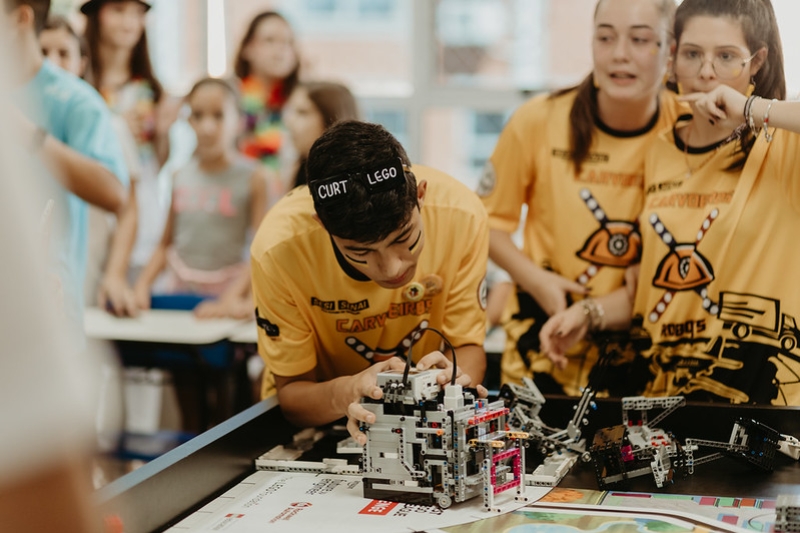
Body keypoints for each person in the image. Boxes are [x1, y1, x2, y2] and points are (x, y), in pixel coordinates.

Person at [541, 0, 800, 406]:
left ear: (757, 63)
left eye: (727, 57)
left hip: (756, 397)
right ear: (672, 58)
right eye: (693, 54)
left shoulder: (784, 145)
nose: (706, 72)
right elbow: (654, 283)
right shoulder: (658, 152)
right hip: (661, 396)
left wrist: (750, 109)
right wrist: (586, 314)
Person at [478, 0, 683, 396]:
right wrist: (537, 282)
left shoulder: (689, 128)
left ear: (670, 51)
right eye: (605, 37)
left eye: (640, 39)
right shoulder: (538, 120)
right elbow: (485, 223)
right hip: (541, 353)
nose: (620, 53)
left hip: (642, 365)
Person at [251, 120, 489, 443]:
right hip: (318, 427)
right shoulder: (278, 249)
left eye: (403, 238)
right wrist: (349, 391)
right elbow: (292, 396)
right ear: (322, 226)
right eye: (360, 251)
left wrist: (454, 376)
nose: (391, 268)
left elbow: (468, 346)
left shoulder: (462, 216)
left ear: (420, 197)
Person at [6, 0, 128, 331]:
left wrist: (27, 134)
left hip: (47, 319)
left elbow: (116, 194)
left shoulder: (75, 101)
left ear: (21, 17)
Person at [133, 78, 267, 319]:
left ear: (238, 120)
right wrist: (142, 286)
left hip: (230, 296)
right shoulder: (179, 175)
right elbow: (165, 244)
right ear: (188, 120)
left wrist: (230, 300)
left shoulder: (255, 178)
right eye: (198, 115)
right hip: (179, 293)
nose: (207, 127)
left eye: (218, 116)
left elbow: (262, 251)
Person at [40, 13, 142, 314]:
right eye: (43, 52)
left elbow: (129, 208)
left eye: (63, 53)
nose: (52, 63)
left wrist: (115, 274)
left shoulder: (109, 125)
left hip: (90, 274)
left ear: (82, 63)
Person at [82, 0, 174, 298]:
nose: (129, 22)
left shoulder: (153, 88)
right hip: (89, 206)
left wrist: (162, 131)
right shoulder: (79, 83)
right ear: (96, 15)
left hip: (141, 211)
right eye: (119, 11)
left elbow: (157, 164)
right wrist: (116, 126)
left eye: (137, 13)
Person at [233, 10, 300, 200]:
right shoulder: (232, 99)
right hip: (241, 200)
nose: (280, 50)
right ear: (247, 47)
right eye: (270, 40)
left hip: (288, 202)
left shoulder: (301, 103)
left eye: (288, 42)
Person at [283, 80, 359, 189]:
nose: (289, 121)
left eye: (302, 112)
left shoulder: (348, 181)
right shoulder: (298, 170)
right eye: (291, 111)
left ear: (331, 120)